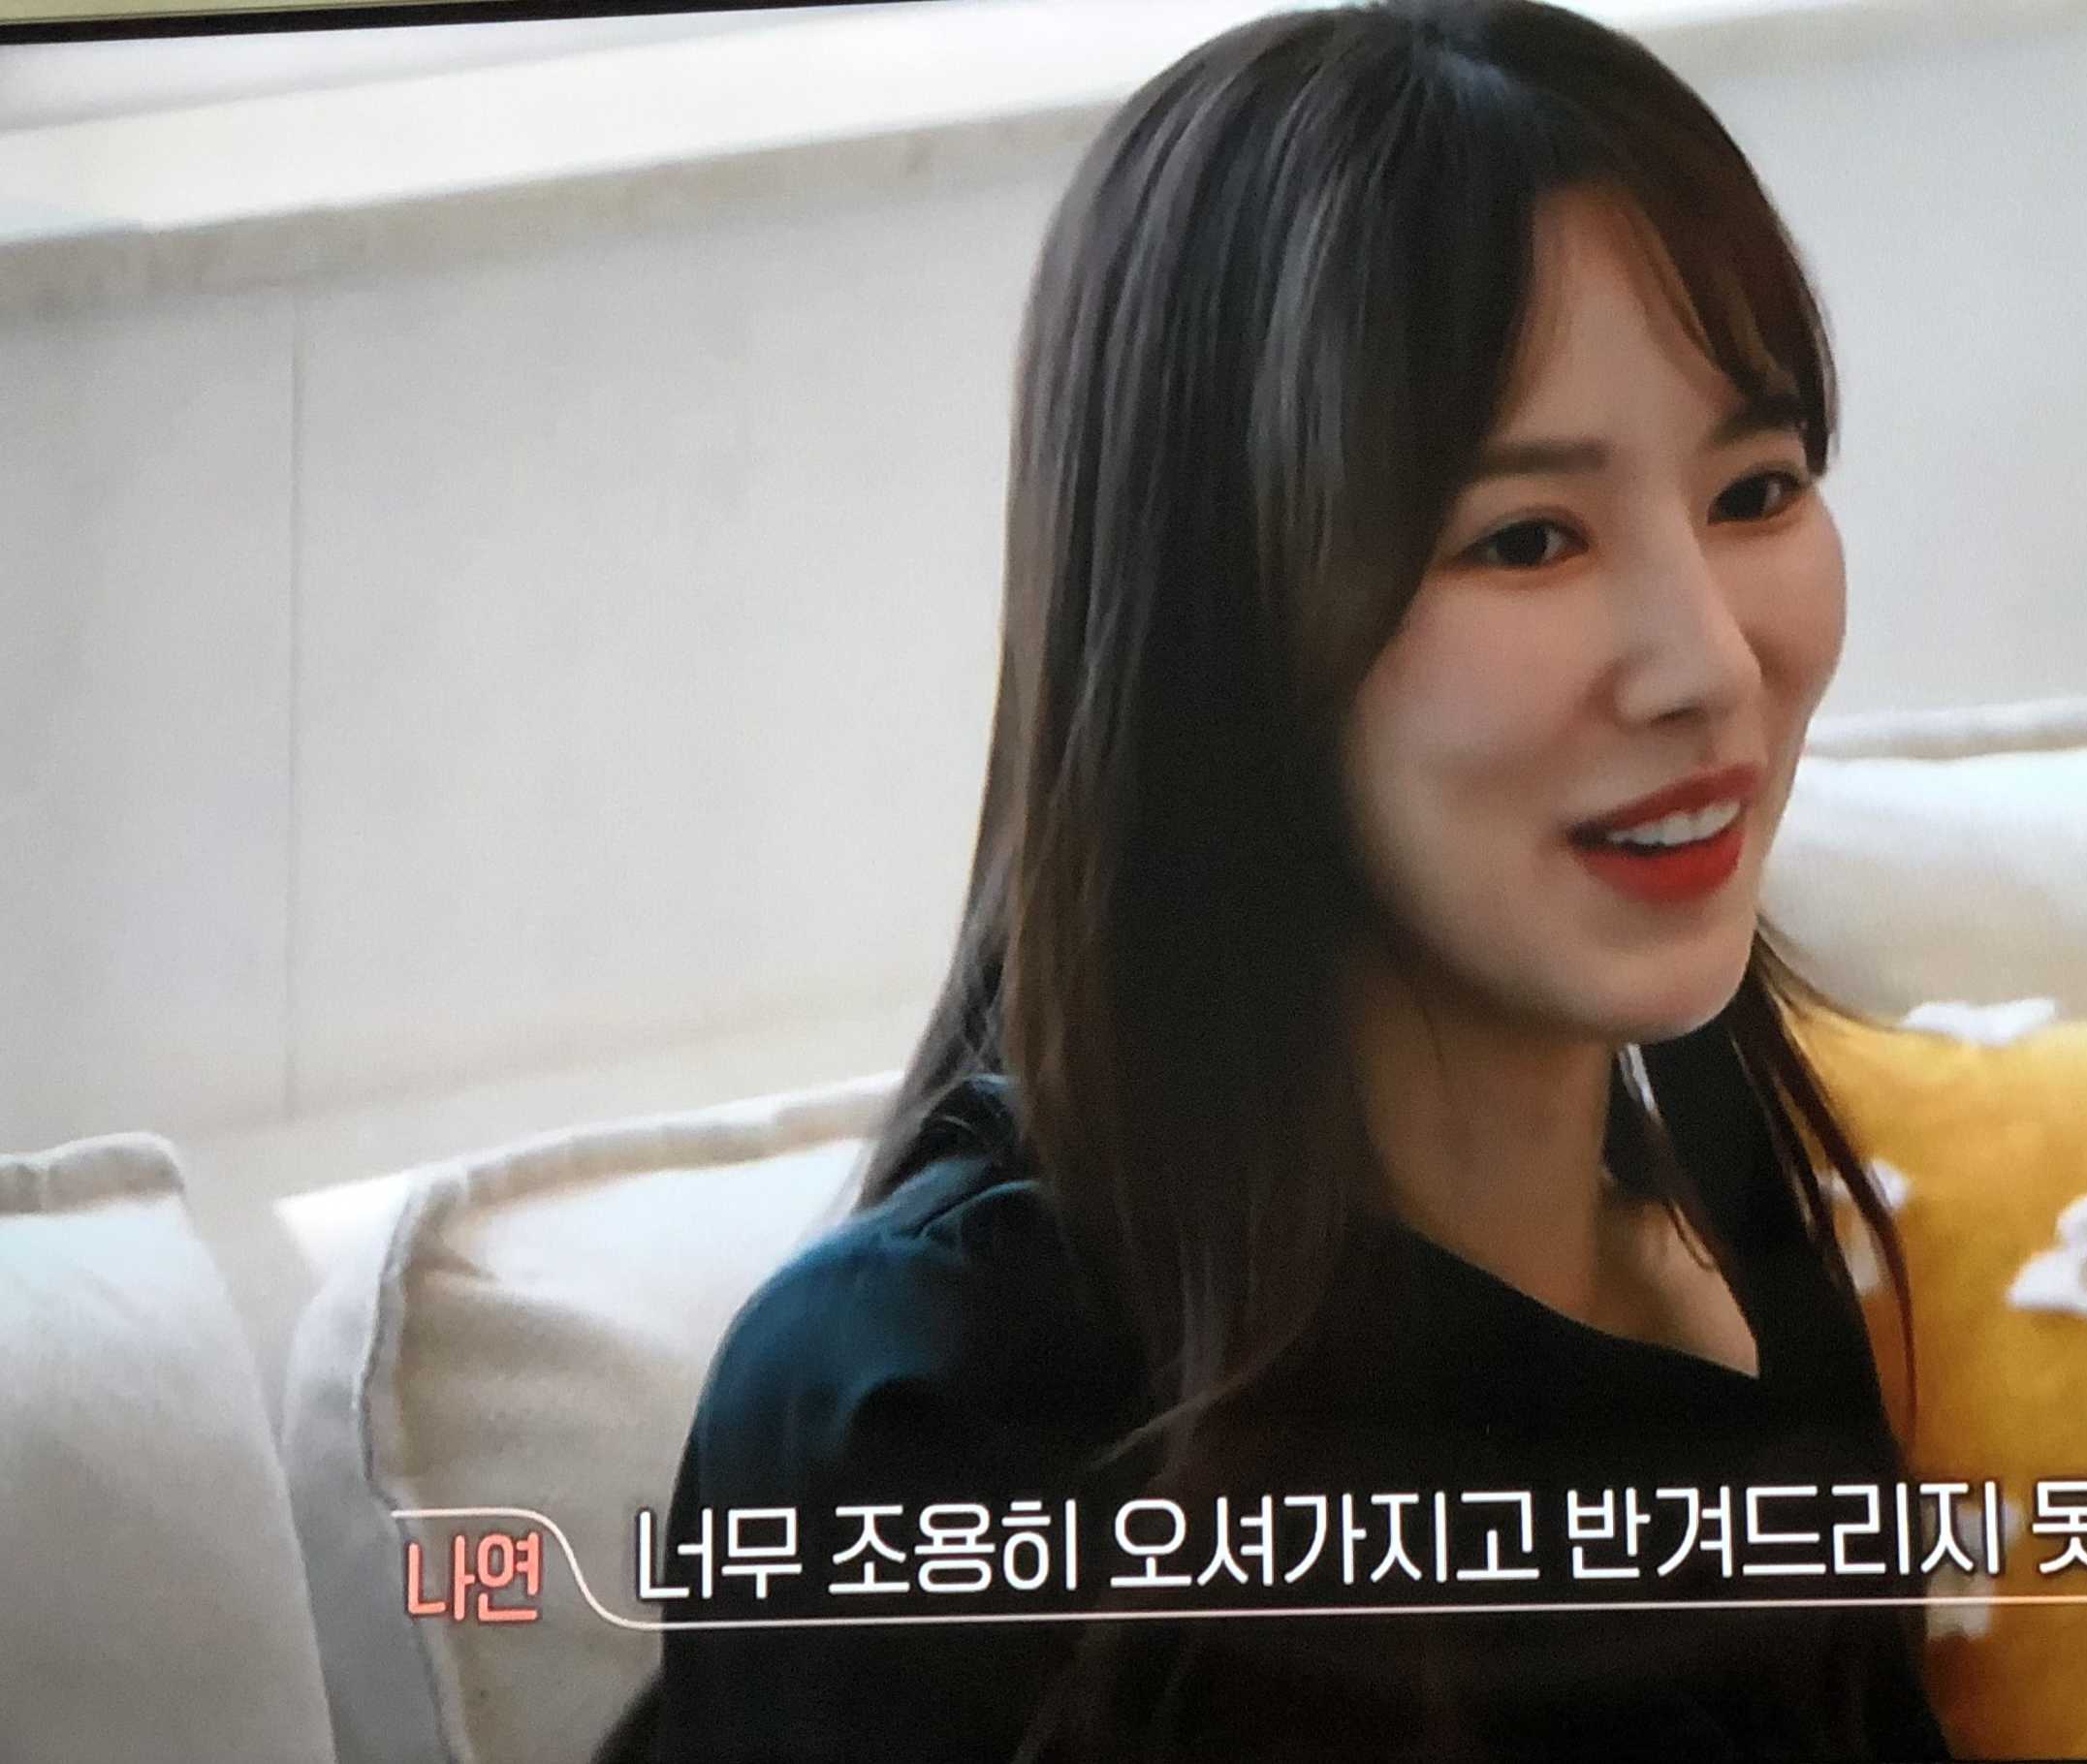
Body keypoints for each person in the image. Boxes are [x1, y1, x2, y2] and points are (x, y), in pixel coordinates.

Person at [593, 2, 1941, 1757]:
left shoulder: (1751, 1262)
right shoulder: (932, 1414)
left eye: (1756, 492)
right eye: (1528, 538)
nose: (1709, 663)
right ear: (1222, 630)